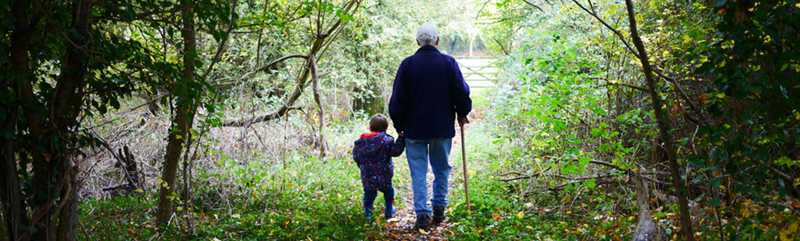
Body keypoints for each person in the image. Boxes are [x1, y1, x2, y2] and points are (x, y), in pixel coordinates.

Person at [388, 24, 472, 229]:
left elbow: (398, 100)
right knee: (441, 168)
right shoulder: (448, 63)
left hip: (414, 130)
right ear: (437, 40)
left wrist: (400, 126)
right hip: (441, 128)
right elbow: (461, 92)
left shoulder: (407, 65)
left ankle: (422, 215)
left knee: (418, 172)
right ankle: (439, 209)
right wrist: (462, 112)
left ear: (417, 42)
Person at [352, 114, 406, 220]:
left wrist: (363, 168)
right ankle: (389, 211)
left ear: (370, 128)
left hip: (367, 176)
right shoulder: (387, 141)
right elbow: (395, 152)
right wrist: (401, 138)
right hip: (384, 175)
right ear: (385, 129)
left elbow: (356, 157)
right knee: (388, 191)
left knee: (369, 194)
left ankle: (369, 215)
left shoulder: (360, 143)